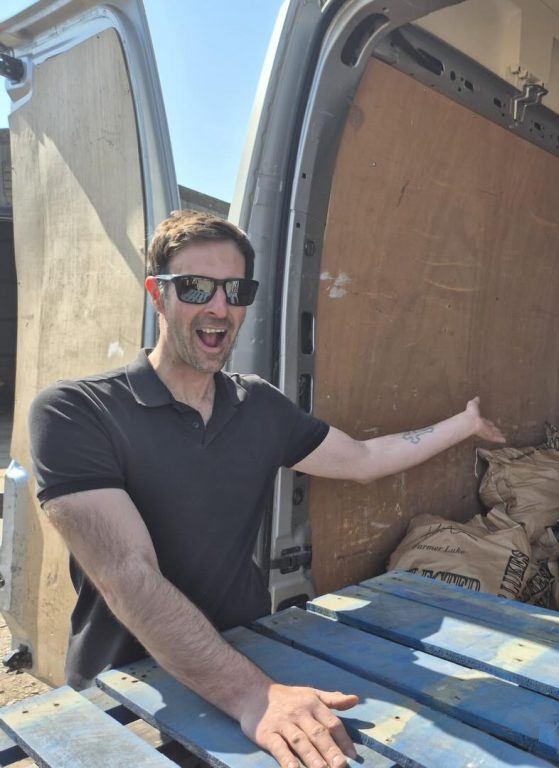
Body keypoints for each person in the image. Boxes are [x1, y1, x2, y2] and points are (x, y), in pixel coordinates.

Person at [28, 210, 505, 768]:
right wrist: (254, 696)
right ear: (157, 295)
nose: (219, 307)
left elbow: (365, 460)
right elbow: (127, 577)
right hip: (129, 701)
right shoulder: (75, 412)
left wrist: (464, 424)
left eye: (236, 290)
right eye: (196, 287)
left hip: (249, 664)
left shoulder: (258, 405)